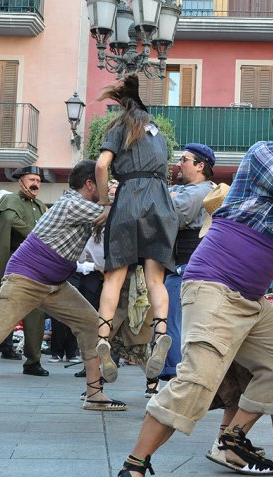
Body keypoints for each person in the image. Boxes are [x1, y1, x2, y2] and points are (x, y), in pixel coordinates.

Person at [111, 95, 273, 477]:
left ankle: (232, 439)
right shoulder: (267, 155)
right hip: (215, 287)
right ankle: (132, 467)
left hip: (249, 298)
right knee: (196, 382)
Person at [0, 160, 126, 423]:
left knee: (90, 324)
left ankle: (94, 394)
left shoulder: (85, 206)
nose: (107, 189)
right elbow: (120, 213)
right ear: (89, 185)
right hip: (25, 280)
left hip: (55, 285)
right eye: (103, 183)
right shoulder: (73, 202)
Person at [94, 75, 179, 385]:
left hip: (129, 198)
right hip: (160, 201)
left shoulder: (120, 127)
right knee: (156, 278)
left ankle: (103, 337)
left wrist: (105, 202)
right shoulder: (157, 134)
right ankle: (158, 336)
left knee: (114, 276)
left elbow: (102, 166)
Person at [0, 165, 49, 377]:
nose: (35, 183)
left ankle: (33, 362)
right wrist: (38, 234)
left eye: (38, 180)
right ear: (21, 182)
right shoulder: (9, 200)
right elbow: (10, 221)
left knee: (36, 313)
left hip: (34, 268)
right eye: (31, 179)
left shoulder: (41, 206)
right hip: (10, 266)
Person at [160, 143, 216, 392]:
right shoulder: (194, 190)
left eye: (184, 159)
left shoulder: (196, 192)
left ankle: (176, 377)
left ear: (200, 165)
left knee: (174, 322)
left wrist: (170, 197)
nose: (179, 163)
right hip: (187, 266)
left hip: (185, 267)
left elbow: (169, 215)